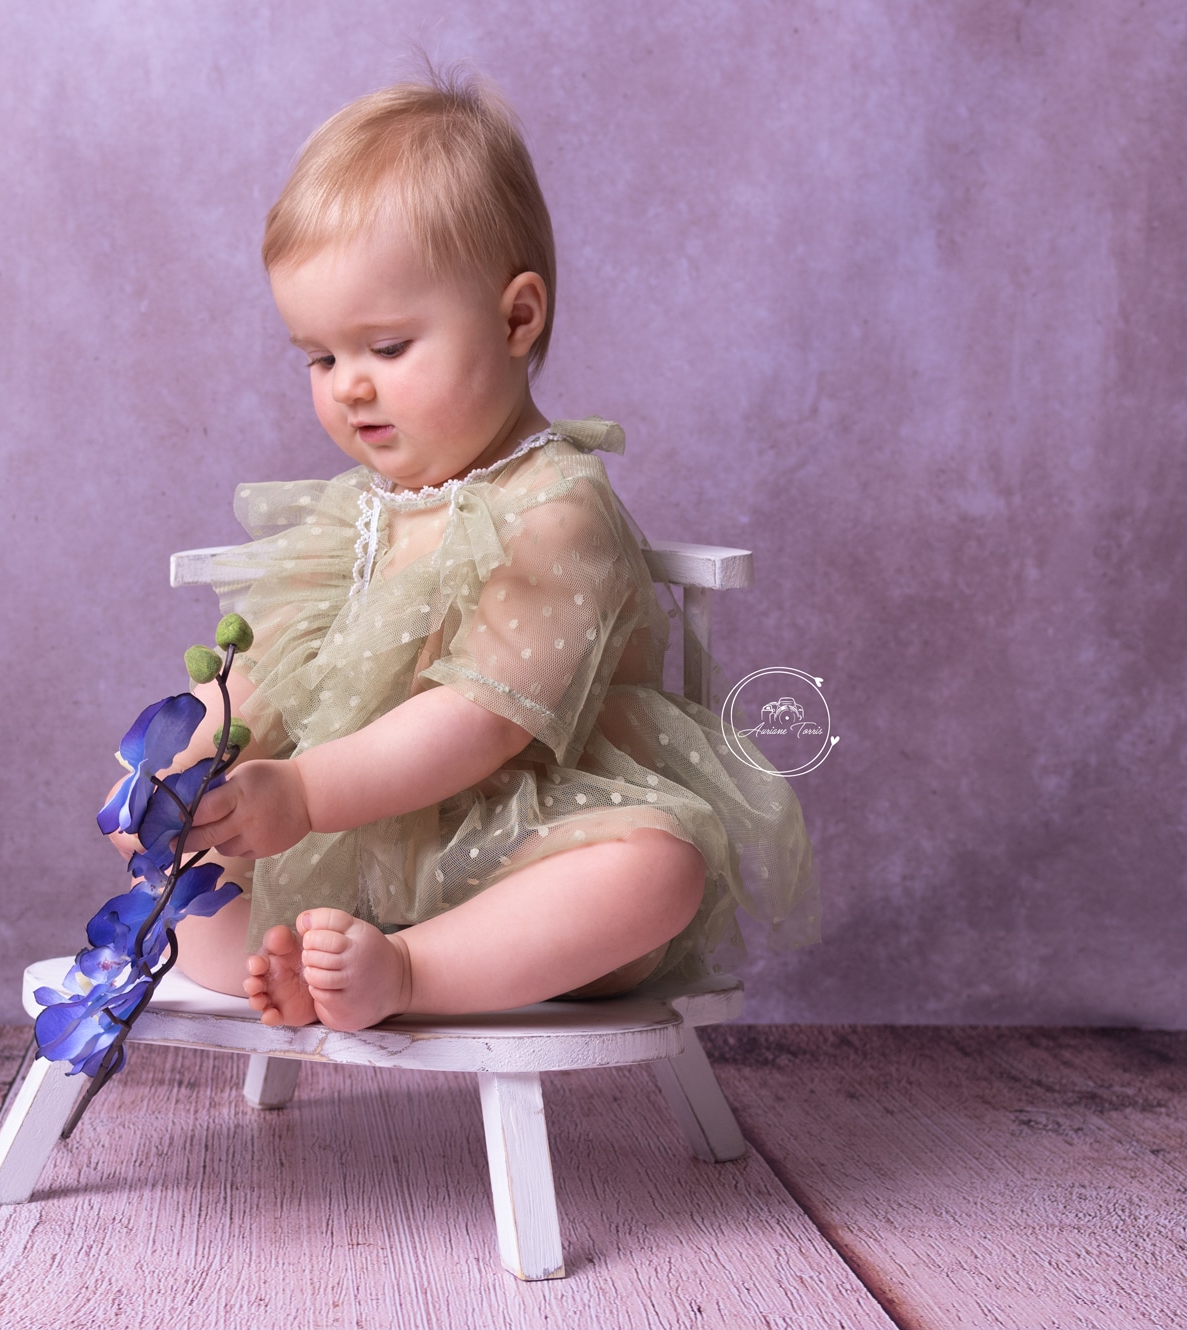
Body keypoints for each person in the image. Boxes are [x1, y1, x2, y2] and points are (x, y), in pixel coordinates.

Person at [138, 71, 817, 1032]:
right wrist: (195, 765)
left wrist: (302, 790)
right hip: (354, 843)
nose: (350, 389)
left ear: (514, 319)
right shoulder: (356, 517)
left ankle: (411, 971)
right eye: (322, 358)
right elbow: (273, 672)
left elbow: (479, 721)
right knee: (169, 854)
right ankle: (294, 960)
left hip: (520, 841)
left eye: (387, 346)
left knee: (657, 869)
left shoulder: (556, 506)